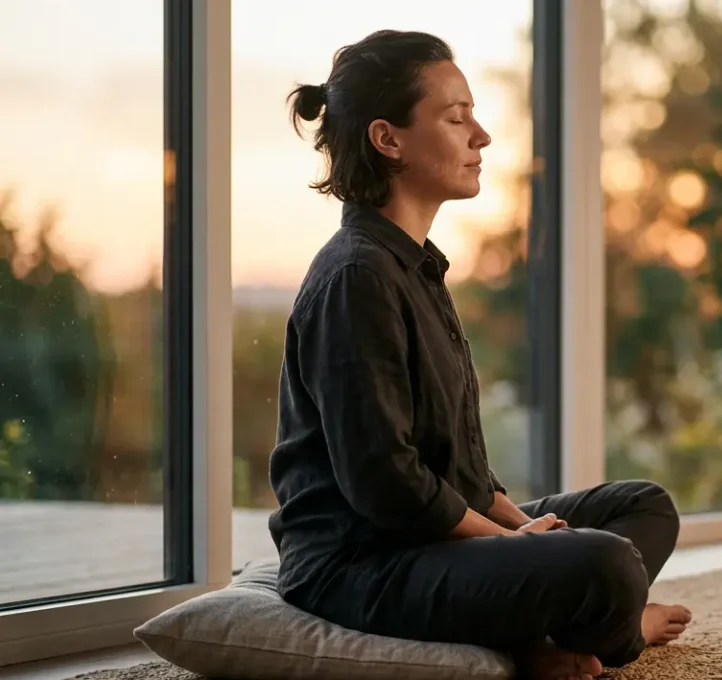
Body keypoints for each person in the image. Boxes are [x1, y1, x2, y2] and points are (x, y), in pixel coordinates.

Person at [266, 29, 692, 680]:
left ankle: (553, 633)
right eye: (456, 117)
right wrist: (517, 544)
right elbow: (386, 486)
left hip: (431, 538)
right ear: (389, 139)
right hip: (364, 564)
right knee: (605, 564)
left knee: (644, 506)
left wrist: (525, 524)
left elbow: (457, 460)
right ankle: (614, 633)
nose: (482, 136)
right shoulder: (357, 279)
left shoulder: (415, 268)